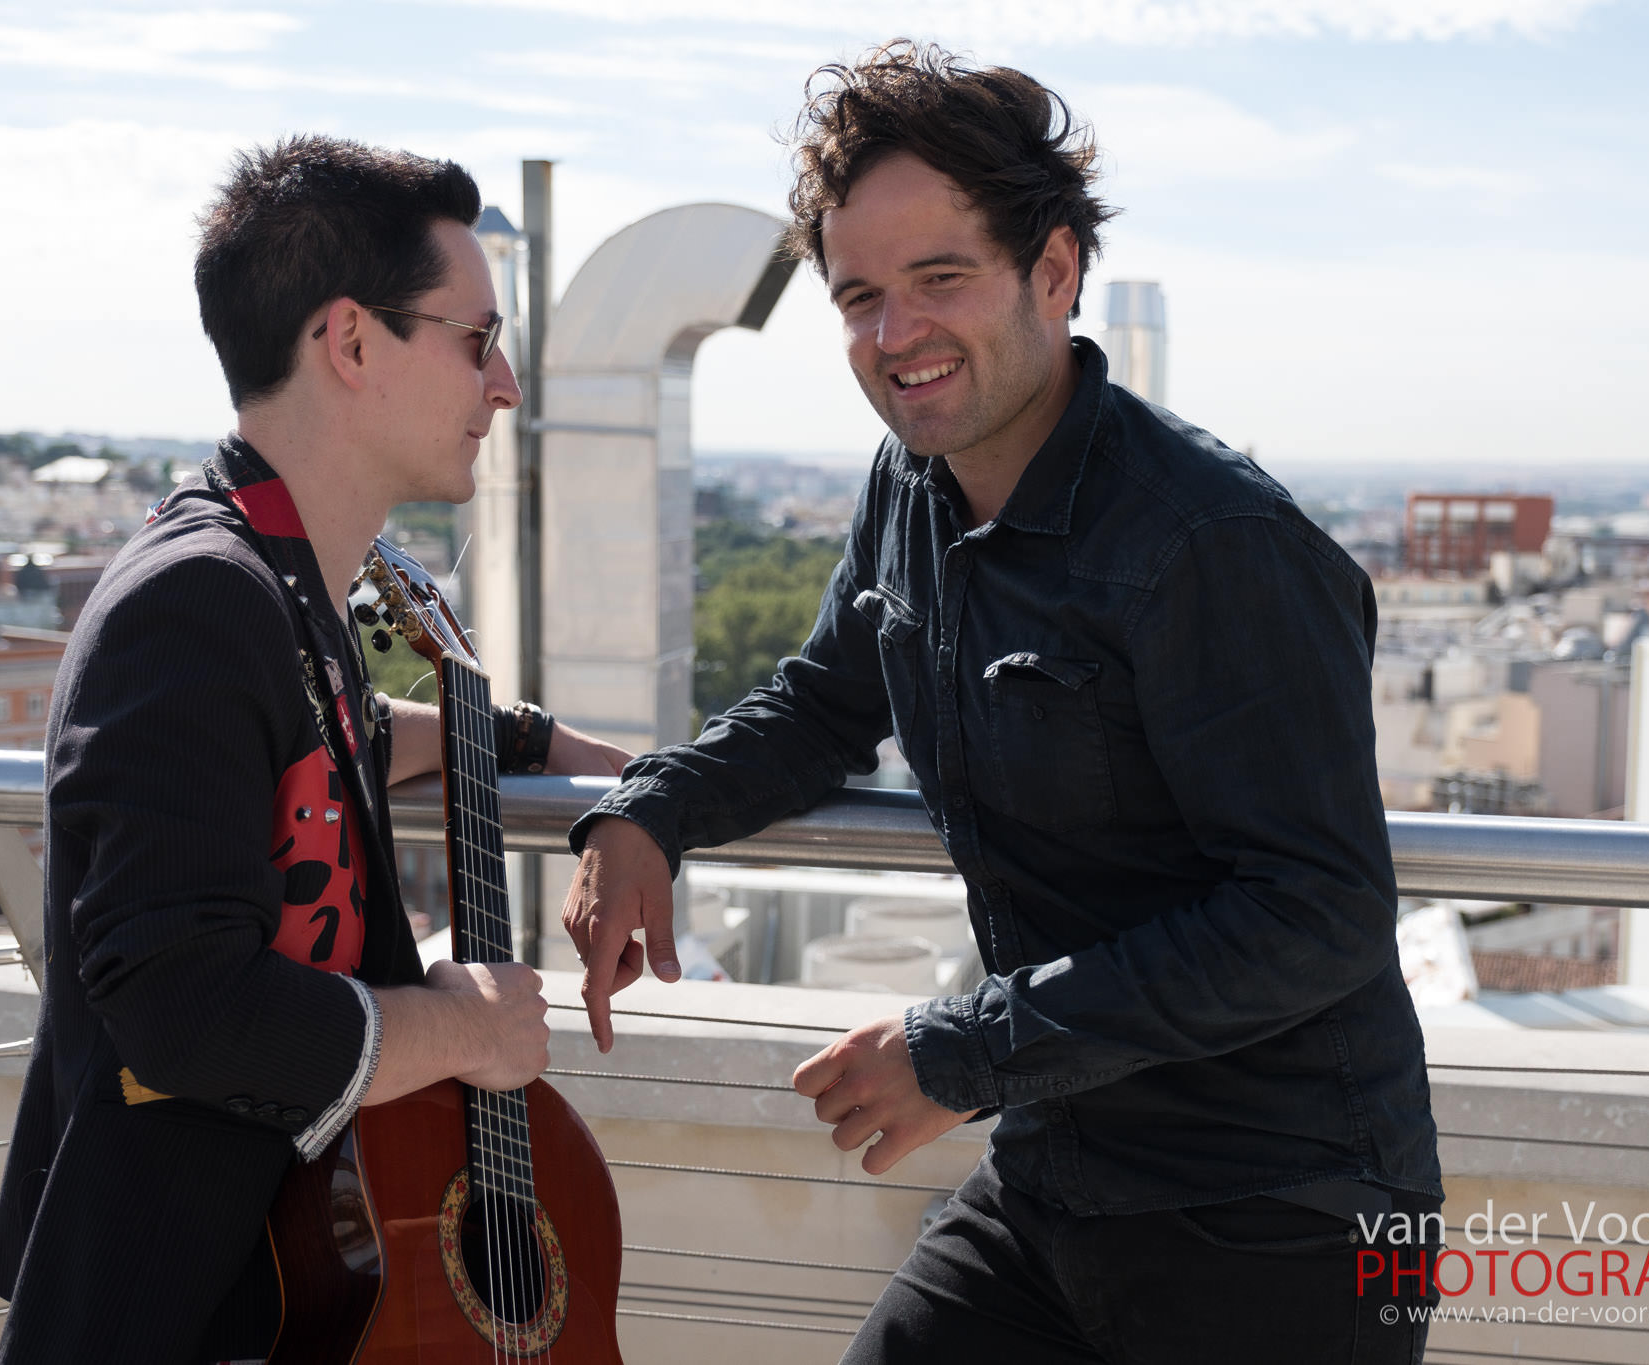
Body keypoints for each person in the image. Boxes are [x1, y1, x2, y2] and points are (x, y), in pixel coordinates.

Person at [561, 42, 1441, 1364]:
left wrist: (960, 1054)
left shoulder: (1210, 542)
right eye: (859, 297)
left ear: (1054, 272)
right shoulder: (908, 485)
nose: (893, 336)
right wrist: (649, 808)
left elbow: (1314, 912)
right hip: (1057, 1173)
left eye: (939, 279)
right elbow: (823, 702)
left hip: (1281, 1216)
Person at [0, 135, 631, 1363]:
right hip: (171, 1315)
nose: (502, 387)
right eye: (476, 340)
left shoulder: (276, 583)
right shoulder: (191, 602)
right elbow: (181, 1003)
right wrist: (459, 1030)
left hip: (275, 1290)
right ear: (349, 342)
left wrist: (542, 746)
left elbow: (317, 741)